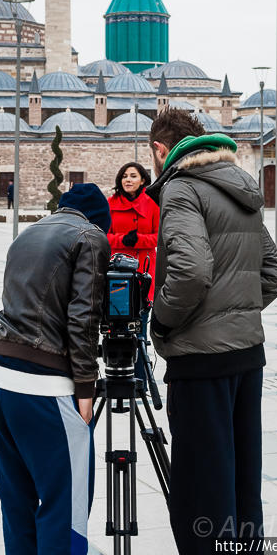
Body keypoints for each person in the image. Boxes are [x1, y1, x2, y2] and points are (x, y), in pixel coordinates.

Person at [146, 108, 277, 551]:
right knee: (242, 479)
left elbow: (190, 272)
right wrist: (234, 313)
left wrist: (162, 321)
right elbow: (273, 273)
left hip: (201, 362)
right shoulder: (239, 187)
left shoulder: (182, 188)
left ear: (159, 150)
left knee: (203, 488)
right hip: (247, 356)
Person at [0, 183, 111, 555]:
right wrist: (86, 389)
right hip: (42, 388)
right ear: (100, 221)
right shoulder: (90, 236)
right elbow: (82, 321)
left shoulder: (28, 233)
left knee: (17, 506)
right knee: (63, 509)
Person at [107, 161, 159, 388]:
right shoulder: (109, 204)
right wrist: (121, 240)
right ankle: (115, 379)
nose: (127, 180)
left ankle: (140, 381)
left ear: (143, 180)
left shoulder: (153, 204)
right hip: (117, 272)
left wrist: (139, 240)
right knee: (115, 327)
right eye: (124, 176)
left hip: (144, 270)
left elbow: (160, 236)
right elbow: (102, 235)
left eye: (133, 176)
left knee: (140, 329)